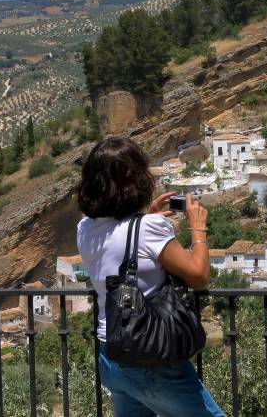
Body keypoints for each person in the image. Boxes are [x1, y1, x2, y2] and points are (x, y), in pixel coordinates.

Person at [75, 137, 224, 417]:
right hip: (151, 354)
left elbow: (118, 245)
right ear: (136, 180)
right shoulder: (149, 228)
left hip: (111, 352)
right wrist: (198, 229)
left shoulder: (84, 229)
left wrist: (144, 217)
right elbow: (199, 276)